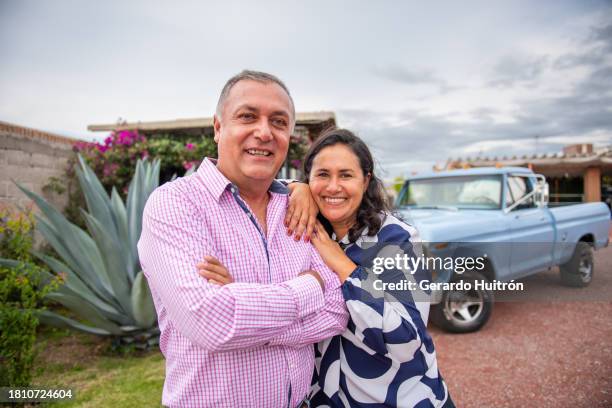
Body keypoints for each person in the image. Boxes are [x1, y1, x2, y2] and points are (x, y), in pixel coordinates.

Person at [138, 70, 349, 408]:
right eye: (247, 116)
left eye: (279, 122)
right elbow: (212, 322)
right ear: (218, 127)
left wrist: (248, 313)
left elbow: (337, 310)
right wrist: (310, 285)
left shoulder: (299, 210)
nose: (264, 132)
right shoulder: (176, 205)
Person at [199, 128, 453, 407]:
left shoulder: (396, 239)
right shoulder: (300, 226)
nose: (333, 187)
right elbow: (258, 189)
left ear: (366, 180)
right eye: (322, 175)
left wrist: (342, 264)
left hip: (399, 398)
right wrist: (298, 188)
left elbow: (406, 339)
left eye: (346, 175)